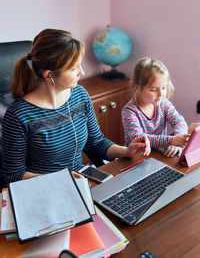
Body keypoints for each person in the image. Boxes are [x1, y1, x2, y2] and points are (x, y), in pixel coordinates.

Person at [2, 29, 150, 184]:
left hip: (79, 182)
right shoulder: (19, 115)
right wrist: (61, 180)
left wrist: (127, 151)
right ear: (49, 74)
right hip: (43, 191)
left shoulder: (79, 95)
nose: (82, 72)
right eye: (74, 68)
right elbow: (14, 175)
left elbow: (96, 143)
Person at [122, 57, 190, 158]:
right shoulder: (129, 112)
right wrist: (172, 140)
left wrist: (178, 141)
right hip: (136, 158)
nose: (161, 94)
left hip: (158, 154)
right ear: (137, 87)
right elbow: (140, 139)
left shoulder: (163, 103)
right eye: (154, 89)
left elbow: (179, 121)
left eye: (164, 88)